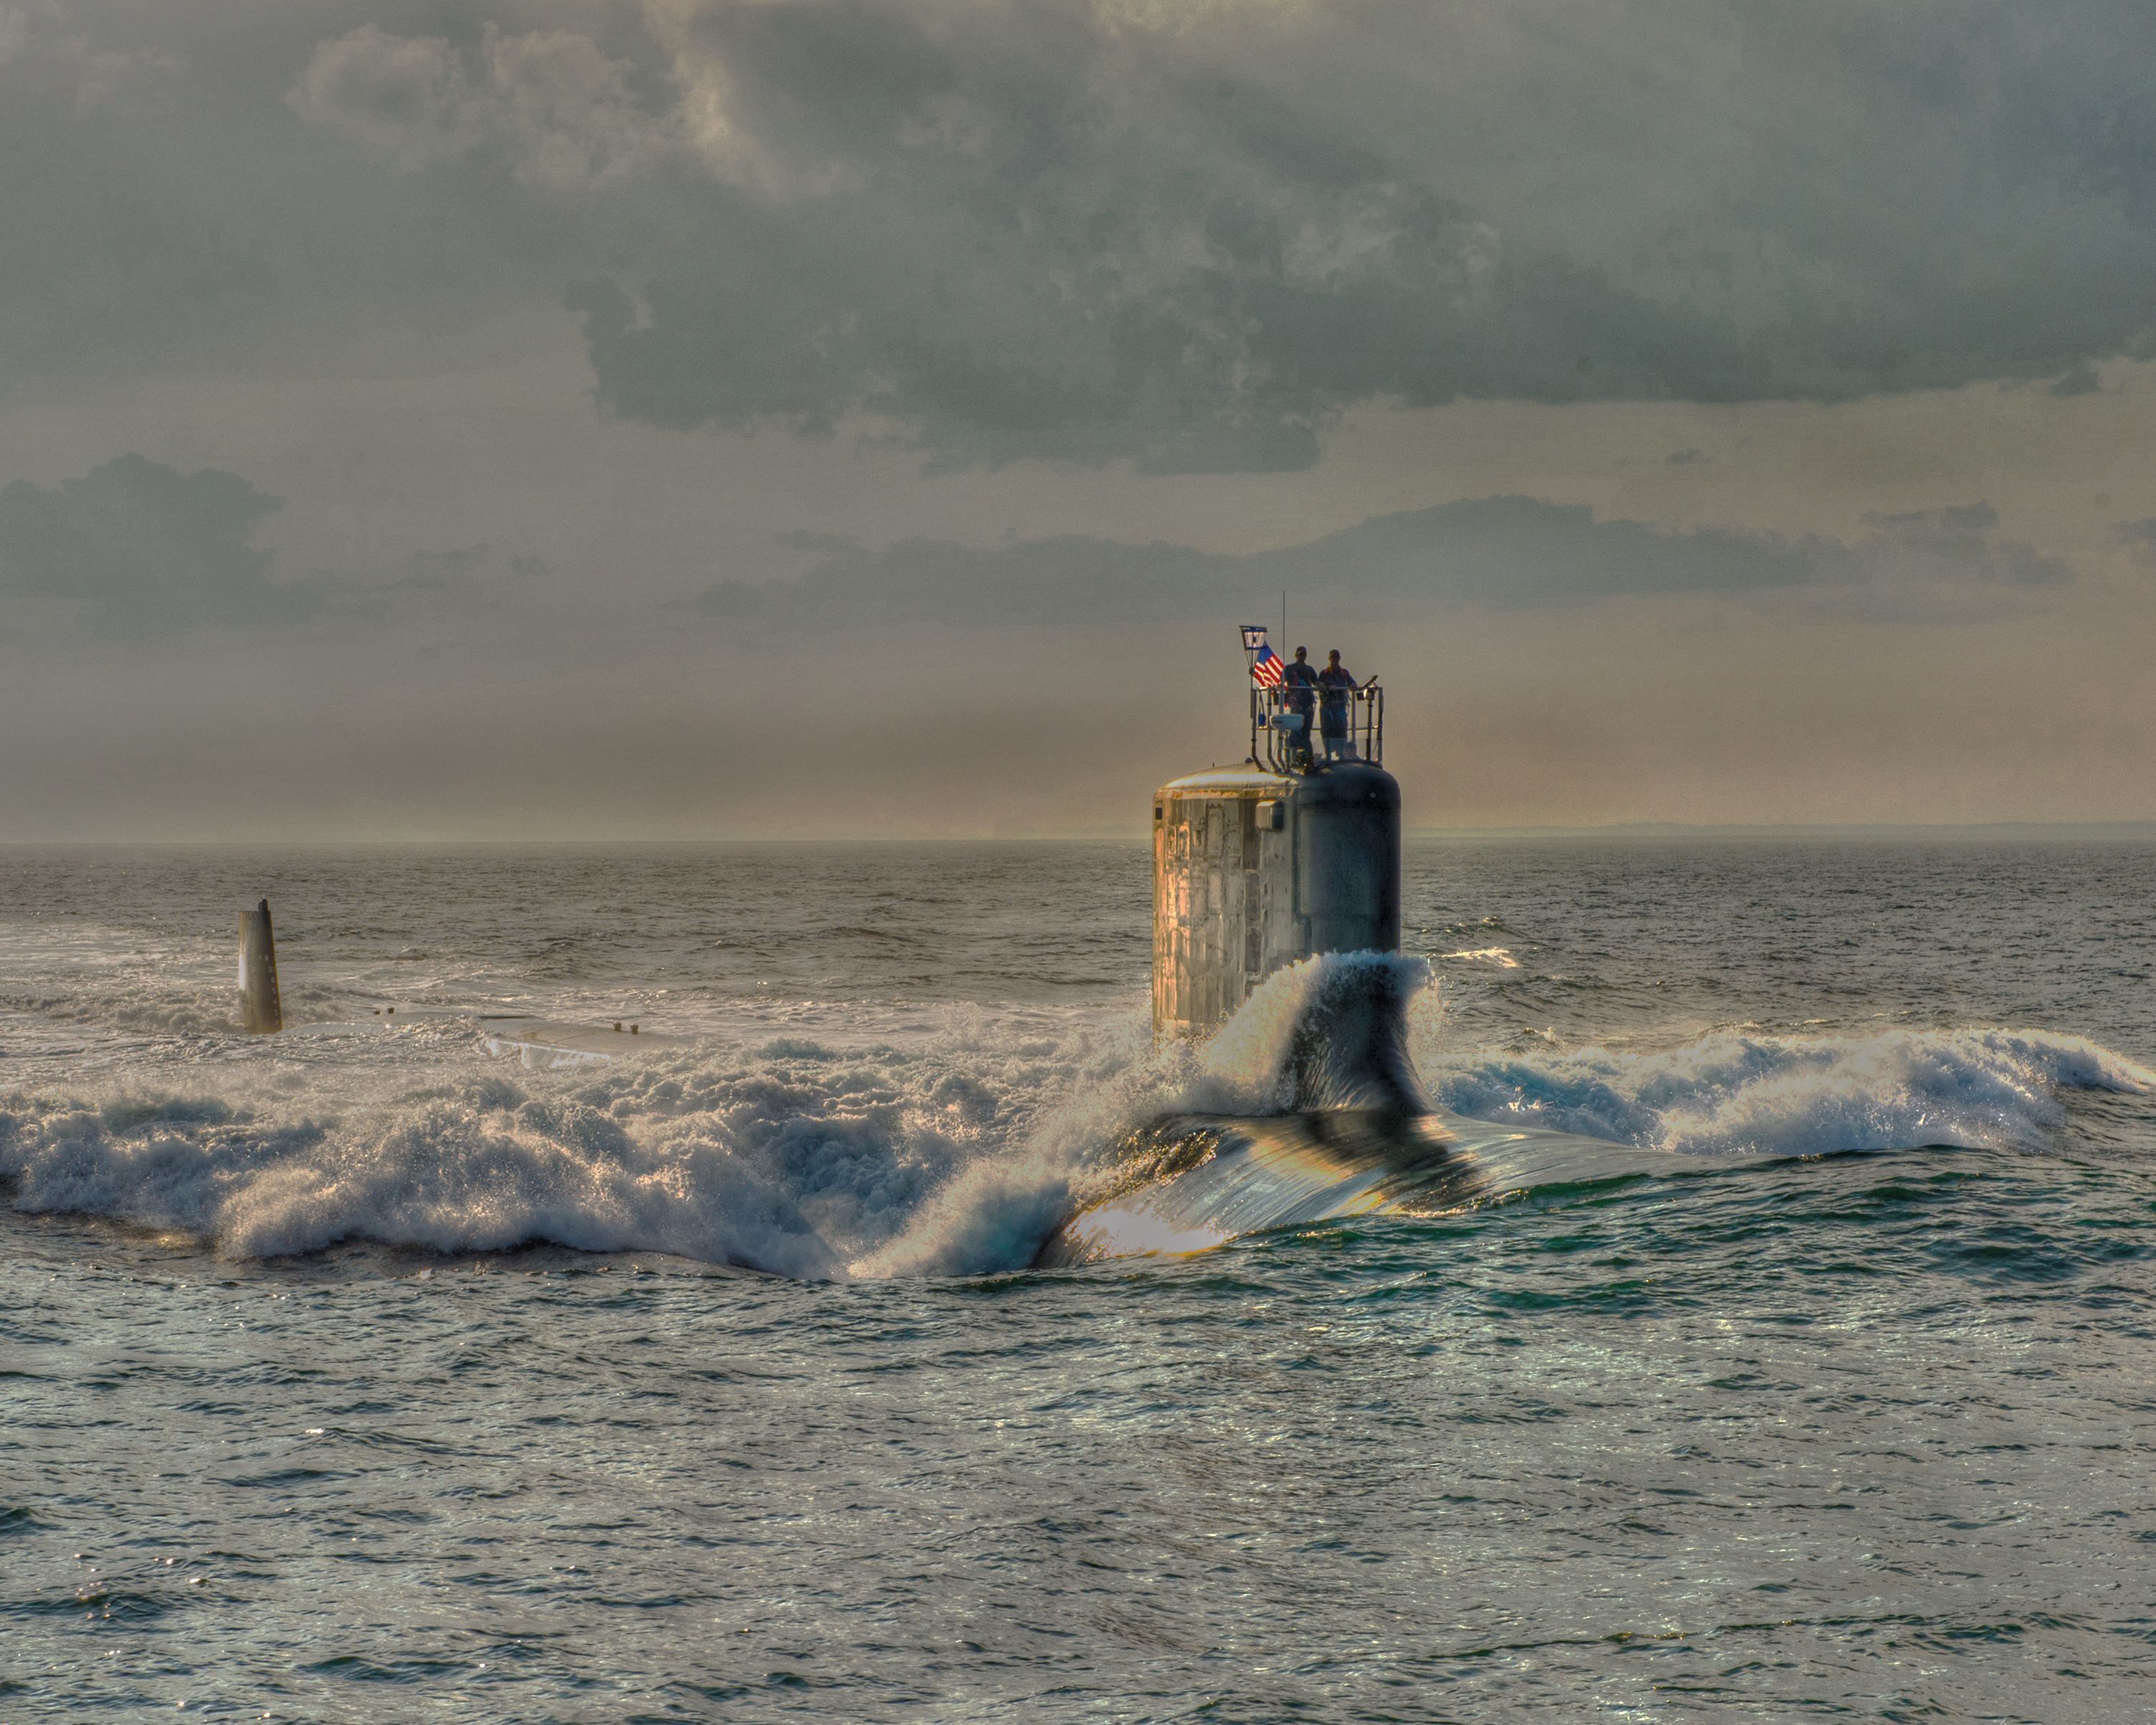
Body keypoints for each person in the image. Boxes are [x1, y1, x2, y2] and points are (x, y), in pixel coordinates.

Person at [1316, 649, 1376, 761]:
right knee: (1327, 730)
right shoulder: (1324, 674)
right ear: (1329, 659)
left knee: (1342, 729)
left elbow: (1352, 682)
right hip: (1327, 707)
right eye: (1333, 657)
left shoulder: (1344, 673)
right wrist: (1329, 687)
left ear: (1339, 659)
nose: (1335, 660)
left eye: (1336, 657)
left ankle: (1341, 755)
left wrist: (1353, 685)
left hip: (1340, 706)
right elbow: (1319, 685)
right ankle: (1328, 755)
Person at [1280, 646, 1318, 766]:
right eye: (1300, 655)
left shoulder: (1309, 670)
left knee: (1306, 734)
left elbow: (1316, 682)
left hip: (1308, 706)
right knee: (1295, 733)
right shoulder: (1290, 669)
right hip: (1296, 707)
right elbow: (1282, 682)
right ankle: (1292, 760)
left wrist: (1325, 687)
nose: (1302, 657)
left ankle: (1309, 759)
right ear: (1296, 655)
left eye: (1304, 655)